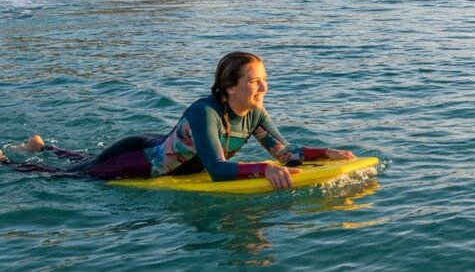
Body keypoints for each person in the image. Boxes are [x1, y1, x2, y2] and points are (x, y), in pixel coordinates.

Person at [0, 52, 355, 190]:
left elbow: (285, 152)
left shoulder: (256, 115)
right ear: (231, 87)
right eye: (254, 81)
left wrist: (328, 153)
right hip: (137, 158)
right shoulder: (206, 112)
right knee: (70, 176)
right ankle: (11, 161)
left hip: (167, 149)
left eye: (264, 78)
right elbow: (216, 169)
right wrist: (261, 168)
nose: (264, 86)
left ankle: (43, 145)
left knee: (80, 163)